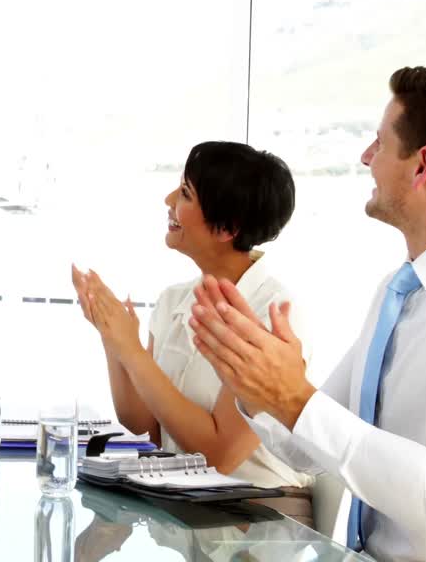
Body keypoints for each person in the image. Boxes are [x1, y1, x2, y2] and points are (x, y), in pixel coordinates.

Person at [189, 66, 426, 560]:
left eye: (380, 144)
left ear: (422, 165)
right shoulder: (399, 290)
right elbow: (307, 449)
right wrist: (256, 385)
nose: (366, 157)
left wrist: (296, 399)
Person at [70, 141, 315, 525]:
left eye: (185, 193)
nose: (169, 199)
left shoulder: (272, 315)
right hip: (188, 509)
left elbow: (219, 455)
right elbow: (146, 427)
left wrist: (131, 350)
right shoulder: (173, 301)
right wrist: (112, 337)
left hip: (262, 515)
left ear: (228, 227)